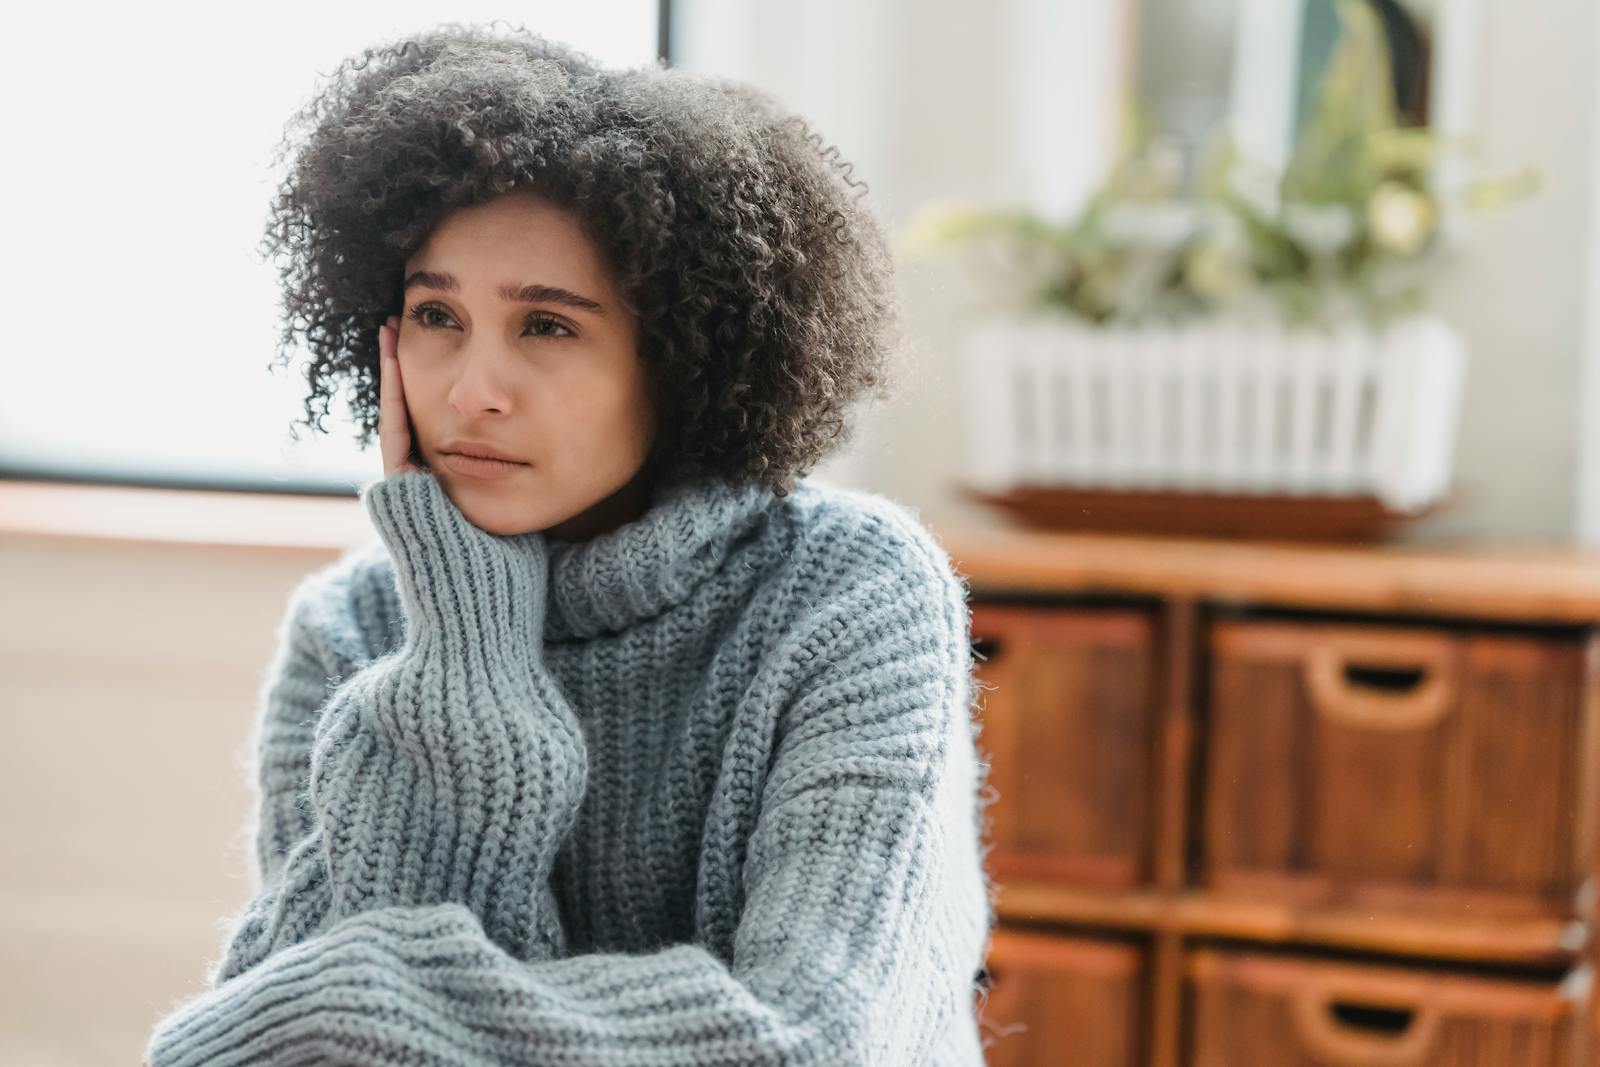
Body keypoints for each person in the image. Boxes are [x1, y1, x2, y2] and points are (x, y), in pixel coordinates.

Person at [143, 20, 997, 1066]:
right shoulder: (352, 627)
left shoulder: (853, 594)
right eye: (435, 314)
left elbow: (807, 1041)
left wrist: (358, 992)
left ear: (683, 355)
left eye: (546, 326)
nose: (470, 390)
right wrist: (463, 645)